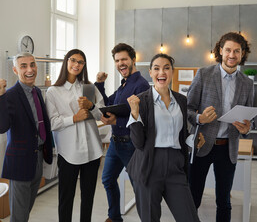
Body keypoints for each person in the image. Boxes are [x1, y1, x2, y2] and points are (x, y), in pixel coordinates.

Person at [126, 53, 203, 222]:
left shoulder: (182, 100)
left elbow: (180, 135)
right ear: (151, 73)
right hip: (148, 164)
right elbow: (138, 143)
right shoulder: (140, 101)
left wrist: (194, 139)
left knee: (189, 217)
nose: (162, 72)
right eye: (157, 68)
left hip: (176, 165)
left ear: (172, 72)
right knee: (150, 218)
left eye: (166, 68)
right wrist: (134, 113)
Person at [187, 32, 254, 222]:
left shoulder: (247, 84)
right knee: (193, 197)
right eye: (228, 50)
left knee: (224, 200)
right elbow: (187, 109)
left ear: (242, 54)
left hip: (228, 148)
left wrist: (246, 128)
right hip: (202, 145)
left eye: (237, 51)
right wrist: (200, 118)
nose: (232, 55)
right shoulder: (204, 74)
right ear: (220, 51)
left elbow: (249, 118)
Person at [45, 49, 105, 222]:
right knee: (66, 199)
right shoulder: (53, 91)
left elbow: (102, 116)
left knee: (88, 198)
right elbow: (53, 123)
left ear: (84, 65)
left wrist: (91, 106)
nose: (76, 65)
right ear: (66, 62)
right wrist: (74, 118)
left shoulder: (89, 87)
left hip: (92, 152)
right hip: (69, 153)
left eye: (80, 62)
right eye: (73, 60)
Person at [0, 52, 53, 222]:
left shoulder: (37, 92)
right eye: (24, 66)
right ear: (15, 70)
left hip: (38, 157)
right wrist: (0, 96)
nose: (30, 69)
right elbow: (1, 127)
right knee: (19, 216)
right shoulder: (8, 95)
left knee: (26, 210)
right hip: (19, 162)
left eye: (32, 65)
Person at [96, 43, 150, 222]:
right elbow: (108, 104)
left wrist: (115, 120)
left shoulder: (141, 85)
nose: (121, 63)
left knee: (139, 187)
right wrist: (100, 84)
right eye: (117, 60)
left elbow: (141, 117)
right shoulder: (123, 85)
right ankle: (114, 217)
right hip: (115, 143)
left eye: (124, 59)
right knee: (108, 179)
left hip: (131, 144)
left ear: (133, 60)